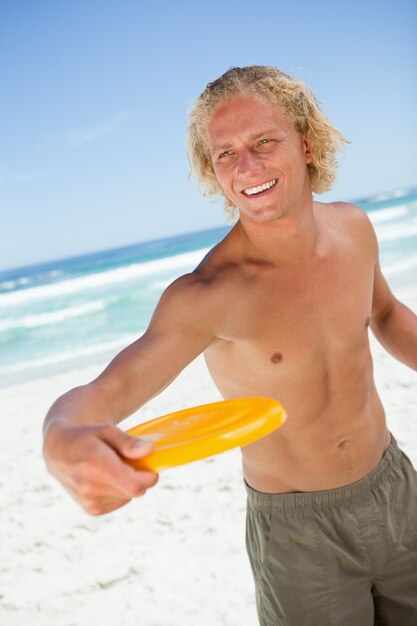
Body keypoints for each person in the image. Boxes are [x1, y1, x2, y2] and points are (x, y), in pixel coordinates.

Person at [43, 66, 417, 625]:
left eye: (264, 142)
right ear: (212, 170)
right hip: (299, 532)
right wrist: (63, 438)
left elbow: (384, 312)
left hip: (394, 487)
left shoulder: (354, 229)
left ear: (307, 143)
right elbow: (105, 392)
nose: (246, 167)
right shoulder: (208, 295)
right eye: (225, 154)